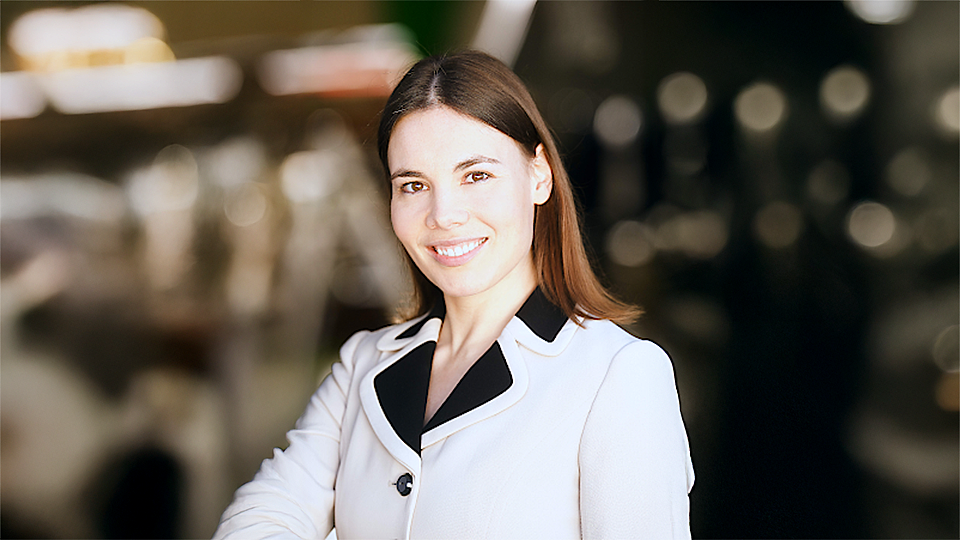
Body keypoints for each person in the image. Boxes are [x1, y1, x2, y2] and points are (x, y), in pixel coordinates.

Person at [213, 50, 694, 540]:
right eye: (414, 185)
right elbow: (257, 521)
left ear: (539, 176)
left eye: (476, 175)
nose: (443, 214)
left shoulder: (617, 375)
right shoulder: (362, 365)